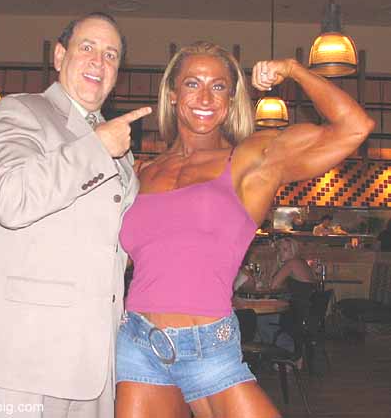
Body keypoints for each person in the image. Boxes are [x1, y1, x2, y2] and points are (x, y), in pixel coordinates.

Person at [116, 41, 374, 418]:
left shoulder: (252, 158)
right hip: (138, 341)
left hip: (209, 347)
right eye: (192, 83)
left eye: (218, 86)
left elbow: (355, 127)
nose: (205, 97)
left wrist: (293, 69)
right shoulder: (141, 171)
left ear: (231, 98)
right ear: (172, 94)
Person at [0, 12, 151, 418]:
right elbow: (11, 198)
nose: (99, 61)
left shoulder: (120, 149)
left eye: (111, 55)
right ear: (59, 56)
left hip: (97, 362)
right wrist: (97, 147)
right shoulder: (19, 112)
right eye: (87, 47)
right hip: (26, 362)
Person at [256, 238, 319, 364]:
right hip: (308, 313)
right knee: (265, 319)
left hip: (298, 314)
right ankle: (283, 355)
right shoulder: (301, 262)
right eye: (279, 250)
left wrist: (275, 265)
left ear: (293, 250)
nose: (281, 253)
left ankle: (285, 355)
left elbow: (273, 285)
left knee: (260, 319)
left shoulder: (292, 263)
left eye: (285, 249)